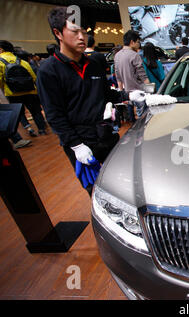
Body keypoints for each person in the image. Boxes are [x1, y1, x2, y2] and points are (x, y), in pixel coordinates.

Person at [36, 7, 133, 195]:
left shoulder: (94, 63)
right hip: (81, 143)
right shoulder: (49, 70)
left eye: (84, 32)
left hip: (106, 134)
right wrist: (76, 146)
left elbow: (106, 94)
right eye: (75, 31)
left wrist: (129, 96)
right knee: (97, 190)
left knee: (123, 183)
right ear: (58, 33)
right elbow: (54, 114)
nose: (82, 37)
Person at [0, 40, 48, 137]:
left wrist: (4, 88)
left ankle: (29, 128)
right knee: (35, 111)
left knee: (20, 113)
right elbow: (33, 77)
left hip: (12, 92)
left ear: (1, 49)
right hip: (29, 91)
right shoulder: (22, 61)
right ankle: (42, 129)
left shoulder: (1, 62)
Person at [114, 30, 150, 122]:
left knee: (134, 116)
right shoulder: (134, 55)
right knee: (143, 118)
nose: (139, 44)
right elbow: (143, 76)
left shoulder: (117, 56)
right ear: (132, 42)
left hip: (127, 93)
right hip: (139, 92)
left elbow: (118, 76)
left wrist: (122, 93)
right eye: (138, 42)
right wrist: (151, 91)